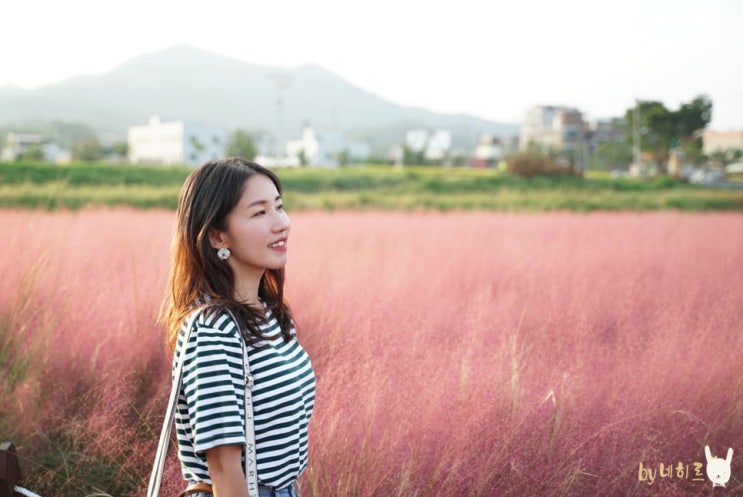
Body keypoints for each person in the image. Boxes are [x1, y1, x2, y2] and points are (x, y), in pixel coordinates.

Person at [160, 157, 315, 497]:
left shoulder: (268, 313)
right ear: (216, 236)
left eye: (279, 207)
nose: (281, 224)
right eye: (259, 213)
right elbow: (224, 469)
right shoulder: (213, 330)